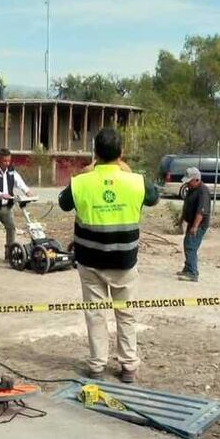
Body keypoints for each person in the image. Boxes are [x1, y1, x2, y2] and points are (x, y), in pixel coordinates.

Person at [58, 128, 158, 383]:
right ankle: (128, 366)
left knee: (95, 313)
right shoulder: (136, 181)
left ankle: (97, 366)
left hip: (90, 261)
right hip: (124, 262)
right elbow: (154, 197)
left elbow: (64, 203)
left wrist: (81, 175)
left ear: (95, 153)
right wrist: (127, 170)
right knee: (126, 313)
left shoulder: (81, 182)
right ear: (121, 152)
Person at [0, 148, 33, 264]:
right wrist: (0, 194)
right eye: (4, 161)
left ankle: (9, 253)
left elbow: (19, 181)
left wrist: (27, 191)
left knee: (11, 228)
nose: (7, 163)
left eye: (9, 161)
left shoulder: (11, 170)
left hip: (6, 207)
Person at [178, 167, 211, 282]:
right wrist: (182, 219)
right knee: (188, 244)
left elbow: (201, 211)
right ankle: (187, 268)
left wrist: (195, 227)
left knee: (191, 246)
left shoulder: (203, 191)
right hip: (192, 222)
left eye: (189, 181)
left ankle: (192, 272)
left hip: (199, 224)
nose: (187, 183)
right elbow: (187, 205)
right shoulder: (191, 189)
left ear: (197, 179)